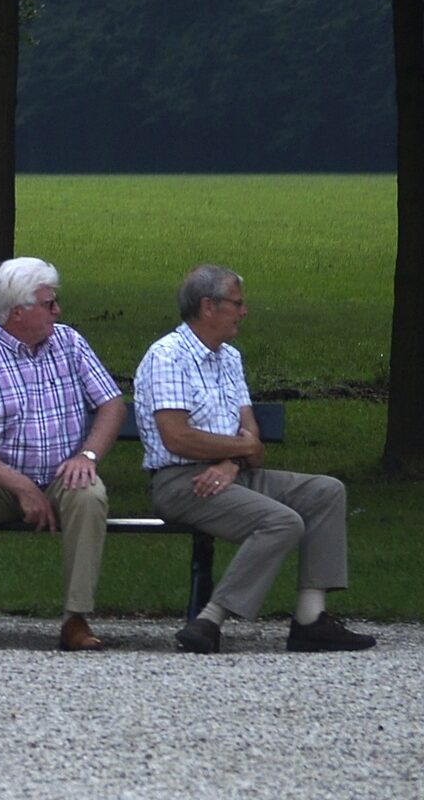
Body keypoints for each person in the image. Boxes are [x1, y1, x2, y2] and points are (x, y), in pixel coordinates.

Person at [133, 264, 375, 654]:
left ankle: (311, 620)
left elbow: (252, 438)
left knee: (326, 492)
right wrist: (239, 450)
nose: (244, 312)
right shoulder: (167, 357)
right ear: (209, 306)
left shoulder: (229, 358)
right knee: (282, 521)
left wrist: (233, 462)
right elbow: (177, 438)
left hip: (232, 475)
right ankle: (210, 620)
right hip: (181, 482)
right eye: (238, 303)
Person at [0, 256, 125, 651]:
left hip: (61, 478)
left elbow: (112, 404)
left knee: (89, 492)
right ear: (18, 312)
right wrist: (21, 487)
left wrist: (88, 457)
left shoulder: (69, 342)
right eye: (49, 303)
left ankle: (75, 618)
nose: (58, 311)